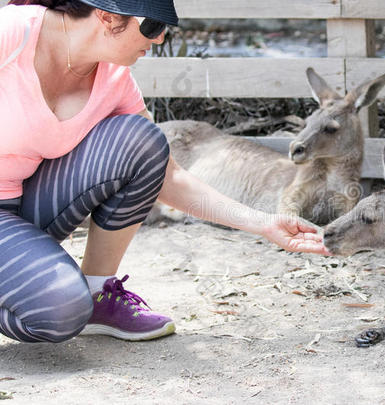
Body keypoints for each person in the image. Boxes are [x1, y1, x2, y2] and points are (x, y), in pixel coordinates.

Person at [0, 0, 330, 344]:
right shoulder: (14, 32)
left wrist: (262, 223)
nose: (158, 40)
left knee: (142, 141)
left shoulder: (113, 78)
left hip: (24, 207)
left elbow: (169, 176)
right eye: (153, 26)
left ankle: (97, 293)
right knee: (59, 310)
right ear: (107, 17)